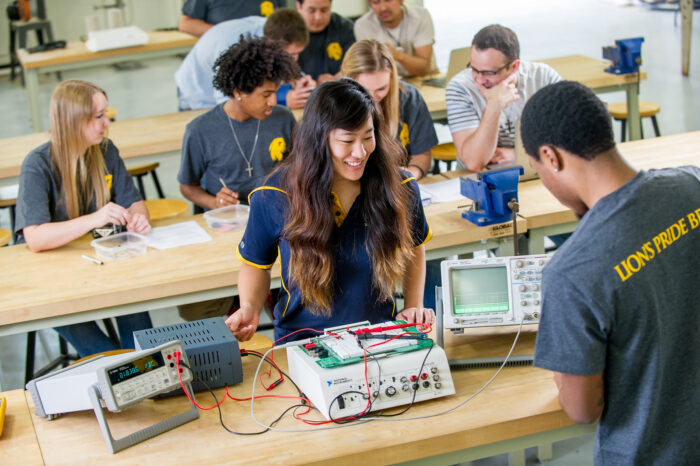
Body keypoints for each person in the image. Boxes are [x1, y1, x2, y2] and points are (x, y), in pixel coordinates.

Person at [521, 81, 700, 465]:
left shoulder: (572, 272)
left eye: (537, 170)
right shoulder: (692, 185)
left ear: (550, 157)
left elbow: (583, 409)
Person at [226, 78, 434, 343]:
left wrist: (413, 305)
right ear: (318, 139)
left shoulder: (400, 186)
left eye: (368, 137)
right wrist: (249, 308)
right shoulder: (275, 195)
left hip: (378, 335)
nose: (359, 152)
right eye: (347, 140)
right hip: (303, 341)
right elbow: (256, 264)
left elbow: (414, 245)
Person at [14, 80, 153, 358]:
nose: (106, 123)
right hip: (50, 282)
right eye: (98, 116)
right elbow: (35, 237)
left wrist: (138, 218)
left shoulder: (105, 150)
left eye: (106, 115)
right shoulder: (38, 164)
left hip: (102, 265)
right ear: (74, 121)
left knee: (136, 320)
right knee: (110, 354)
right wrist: (95, 218)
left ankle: (138, 370)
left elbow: (135, 203)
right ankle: (131, 373)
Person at [178, 35, 298, 212]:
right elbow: (188, 186)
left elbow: (299, 169)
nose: (273, 101)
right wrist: (215, 203)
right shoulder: (199, 131)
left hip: (274, 213)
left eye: (275, 93)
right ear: (238, 92)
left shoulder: (284, 119)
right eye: (265, 95)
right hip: (227, 220)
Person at [446, 24, 561, 172]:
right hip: (482, 179)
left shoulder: (545, 77)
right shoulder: (460, 88)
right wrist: (494, 106)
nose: (479, 80)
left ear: (514, 67)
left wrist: (516, 154)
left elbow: (570, 139)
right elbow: (474, 162)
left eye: (489, 72)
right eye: (474, 69)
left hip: (538, 172)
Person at [175, 8, 314, 111]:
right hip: (198, 94)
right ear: (272, 44)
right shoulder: (235, 47)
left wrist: (296, 81)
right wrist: (282, 100)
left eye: (298, 53)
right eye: (290, 55)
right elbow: (228, 103)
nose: (295, 60)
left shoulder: (273, 29)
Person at [341, 39, 435, 181]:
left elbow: (423, 155)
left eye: (381, 89)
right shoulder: (334, 104)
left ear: (392, 79)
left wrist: (411, 174)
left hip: (397, 186)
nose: (372, 98)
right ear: (348, 79)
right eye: (364, 90)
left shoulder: (409, 98)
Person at [354, 0, 436, 77]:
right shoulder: (361, 25)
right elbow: (368, 70)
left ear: (401, 0)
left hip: (425, 78)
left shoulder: (421, 16)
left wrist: (398, 55)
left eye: (388, 0)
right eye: (376, 2)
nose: (383, 8)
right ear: (370, 5)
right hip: (389, 82)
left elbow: (424, 68)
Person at [296, 0, 355, 83]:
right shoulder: (286, 31)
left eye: (324, 10)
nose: (318, 17)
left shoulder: (345, 28)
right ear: (299, 6)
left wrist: (344, 74)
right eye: (312, 10)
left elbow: (355, 63)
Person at [178, 0, 286, 37]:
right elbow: (185, 23)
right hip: (220, 60)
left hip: (262, 62)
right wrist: (228, 34)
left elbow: (282, 23)